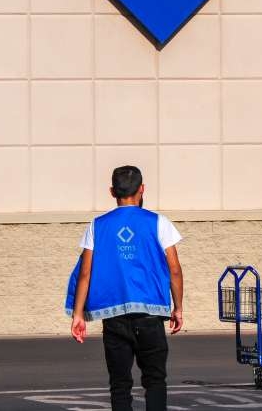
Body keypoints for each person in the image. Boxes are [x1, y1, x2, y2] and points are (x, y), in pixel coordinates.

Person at [67, 166, 184, 411]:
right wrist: (178, 307)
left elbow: (86, 273)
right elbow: (174, 269)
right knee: (154, 380)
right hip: (150, 316)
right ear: (142, 189)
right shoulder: (159, 223)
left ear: (112, 191)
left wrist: (78, 314)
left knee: (120, 384)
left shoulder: (97, 226)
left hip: (114, 317)